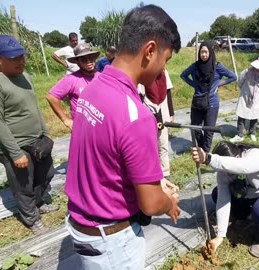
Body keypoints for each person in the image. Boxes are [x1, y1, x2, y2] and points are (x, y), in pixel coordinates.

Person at [64, 5, 181, 269]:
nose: (162, 70)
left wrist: (155, 182)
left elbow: (106, 158)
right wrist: (168, 202)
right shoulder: (136, 116)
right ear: (150, 51)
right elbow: (150, 204)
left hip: (82, 226)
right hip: (112, 241)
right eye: (166, 60)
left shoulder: (93, 87)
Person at [0, 35, 58, 235]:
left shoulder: (25, 76)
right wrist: (14, 153)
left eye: (22, 57)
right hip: (15, 146)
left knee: (46, 174)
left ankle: (38, 204)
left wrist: (46, 134)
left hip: (36, 140)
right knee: (23, 185)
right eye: (14, 58)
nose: (20, 61)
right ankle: (31, 219)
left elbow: (34, 108)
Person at [191, 141, 259, 258]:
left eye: (228, 170)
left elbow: (243, 167)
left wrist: (208, 159)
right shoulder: (223, 173)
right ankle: (244, 214)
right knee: (217, 193)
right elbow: (223, 200)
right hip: (251, 195)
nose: (227, 173)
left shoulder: (256, 155)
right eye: (224, 170)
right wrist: (220, 236)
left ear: (238, 157)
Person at [180, 41, 237, 152]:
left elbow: (233, 76)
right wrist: (195, 85)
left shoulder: (217, 67)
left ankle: (205, 153)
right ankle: (201, 148)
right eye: (202, 52)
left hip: (212, 103)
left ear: (210, 52)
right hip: (197, 101)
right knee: (195, 128)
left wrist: (219, 84)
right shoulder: (195, 66)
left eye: (206, 52)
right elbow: (183, 75)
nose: (204, 55)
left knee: (209, 130)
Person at [46, 43, 100, 130]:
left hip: (101, 126)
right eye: (84, 60)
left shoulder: (102, 77)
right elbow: (51, 97)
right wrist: (65, 120)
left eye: (91, 58)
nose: (89, 62)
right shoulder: (71, 79)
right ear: (78, 62)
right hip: (82, 129)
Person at [138, 69, 175, 179]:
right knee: (151, 145)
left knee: (163, 145)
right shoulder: (144, 74)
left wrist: (171, 113)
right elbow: (140, 97)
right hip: (148, 115)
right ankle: (154, 174)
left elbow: (168, 92)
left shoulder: (164, 72)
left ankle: (166, 173)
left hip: (163, 113)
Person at [230, 55, 259, 143]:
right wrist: (245, 91)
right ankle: (240, 134)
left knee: (254, 116)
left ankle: (252, 132)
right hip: (245, 96)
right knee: (241, 114)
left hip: (258, 98)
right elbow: (240, 82)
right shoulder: (247, 71)